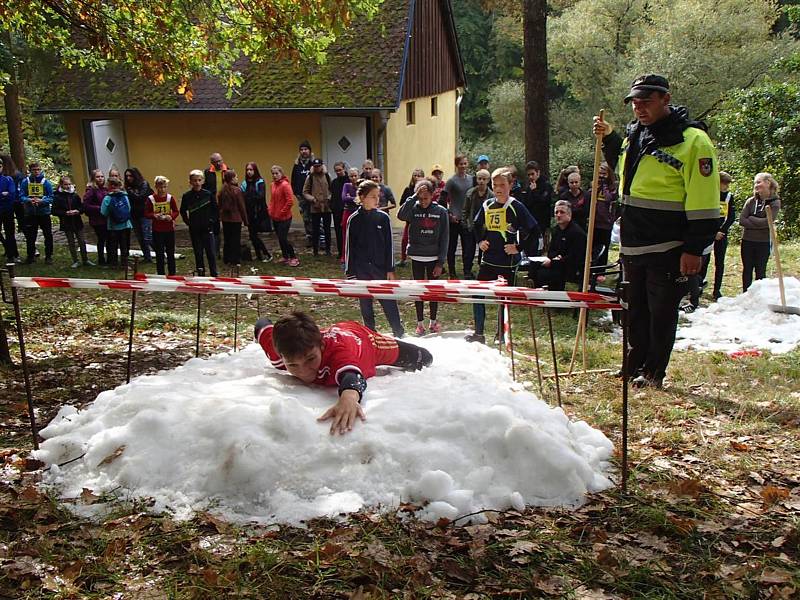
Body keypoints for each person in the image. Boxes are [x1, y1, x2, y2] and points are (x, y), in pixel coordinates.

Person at [594, 73, 720, 388]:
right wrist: (610, 138)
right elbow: (626, 169)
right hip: (634, 241)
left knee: (661, 312)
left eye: (646, 101)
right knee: (634, 309)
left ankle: (652, 374)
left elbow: (705, 200)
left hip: (670, 243)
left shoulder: (694, 140)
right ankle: (632, 366)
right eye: (634, 102)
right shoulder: (635, 134)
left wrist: (695, 248)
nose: (639, 108)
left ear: (666, 99)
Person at [255, 311, 432, 435]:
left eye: (310, 359)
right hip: (332, 331)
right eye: (293, 365)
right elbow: (262, 324)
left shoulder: (338, 352)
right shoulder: (279, 353)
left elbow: (351, 376)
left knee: (424, 358)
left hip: (364, 341)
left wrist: (349, 398)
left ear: (322, 346)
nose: (303, 371)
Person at [467, 168, 539, 344]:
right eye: (495, 185)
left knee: (503, 299)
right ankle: (479, 333)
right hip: (488, 260)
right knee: (477, 294)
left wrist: (518, 247)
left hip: (507, 262)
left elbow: (534, 229)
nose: (498, 188)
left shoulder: (516, 206)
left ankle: (501, 334)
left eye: (502, 185)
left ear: (510, 185)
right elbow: (476, 225)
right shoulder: (487, 205)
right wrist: (480, 241)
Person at [344, 179, 404, 338]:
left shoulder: (383, 218)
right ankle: (371, 334)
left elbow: (389, 246)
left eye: (378, 196)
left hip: (381, 269)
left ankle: (398, 333)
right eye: (373, 196)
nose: (377, 200)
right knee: (366, 306)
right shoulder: (353, 219)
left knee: (389, 303)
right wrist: (351, 273)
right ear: (362, 197)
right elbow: (349, 247)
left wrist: (390, 269)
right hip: (362, 270)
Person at [398, 178, 449, 335]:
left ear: (433, 195)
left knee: (433, 292)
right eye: (420, 198)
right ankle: (420, 323)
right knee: (418, 291)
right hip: (417, 256)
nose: (423, 201)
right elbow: (401, 215)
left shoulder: (441, 211)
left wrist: (440, 262)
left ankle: (433, 322)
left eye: (426, 198)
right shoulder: (413, 208)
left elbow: (445, 237)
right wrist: (413, 197)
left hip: (433, 257)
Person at [528, 201, 586, 291]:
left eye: (562, 212)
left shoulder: (577, 233)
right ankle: (534, 289)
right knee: (533, 265)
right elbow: (551, 250)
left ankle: (550, 291)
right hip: (556, 261)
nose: (558, 215)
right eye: (556, 212)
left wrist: (556, 261)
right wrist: (552, 258)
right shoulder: (556, 230)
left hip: (570, 266)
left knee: (543, 272)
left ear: (569, 215)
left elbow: (576, 257)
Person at [740, 172, 780, 292]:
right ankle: (745, 294)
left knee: (760, 270)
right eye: (755, 183)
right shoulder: (751, 201)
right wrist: (759, 222)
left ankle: (759, 296)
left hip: (763, 242)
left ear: (768, 183)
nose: (756, 185)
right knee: (747, 269)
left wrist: (751, 218)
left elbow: (768, 221)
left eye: (759, 182)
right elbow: (742, 220)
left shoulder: (775, 202)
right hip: (747, 240)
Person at [699, 171, 736, 300]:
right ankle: (699, 285)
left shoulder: (729, 197)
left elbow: (731, 216)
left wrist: (722, 231)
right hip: (709, 233)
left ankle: (717, 290)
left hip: (722, 234)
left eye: (727, 184)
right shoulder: (709, 194)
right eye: (723, 184)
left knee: (719, 262)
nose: (725, 187)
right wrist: (712, 232)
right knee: (704, 260)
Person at [180, 169, 219, 276]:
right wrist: (188, 222)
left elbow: (215, 209)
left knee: (211, 252)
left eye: (199, 180)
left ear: (202, 181)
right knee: (198, 253)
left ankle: (214, 274)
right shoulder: (187, 196)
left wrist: (212, 221)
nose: (197, 182)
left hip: (207, 228)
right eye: (194, 180)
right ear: (190, 182)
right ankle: (201, 275)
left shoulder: (208, 194)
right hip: (195, 229)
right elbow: (182, 211)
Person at [444, 154, 475, 279]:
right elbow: (442, 198)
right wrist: (449, 214)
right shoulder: (451, 181)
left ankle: (467, 270)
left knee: (467, 246)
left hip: (466, 218)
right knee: (451, 246)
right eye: (460, 163)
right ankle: (452, 271)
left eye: (465, 163)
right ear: (456, 165)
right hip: (454, 219)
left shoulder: (472, 179)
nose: (463, 166)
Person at [52, 174, 92, 268]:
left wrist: (78, 211)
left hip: (77, 221)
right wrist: (65, 213)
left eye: (69, 184)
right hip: (66, 222)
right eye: (66, 184)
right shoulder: (58, 197)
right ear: (61, 185)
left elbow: (81, 207)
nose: (68, 186)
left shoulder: (75, 195)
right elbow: (54, 210)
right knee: (71, 242)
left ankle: (85, 259)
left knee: (82, 241)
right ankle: (75, 260)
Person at [19, 162, 54, 264]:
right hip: (31, 213)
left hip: (44, 212)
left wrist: (42, 200)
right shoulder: (26, 182)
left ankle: (48, 256)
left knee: (48, 234)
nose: (37, 172)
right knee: (30, 236)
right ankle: (30, 256)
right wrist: (29, 200)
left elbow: (51, 197)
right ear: (30, 171)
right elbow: (21, 196)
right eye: (34, 170)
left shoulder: (46, 182)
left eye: (38, 169)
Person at [144, 175, 179, 275]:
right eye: (160, 187)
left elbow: (176, 211)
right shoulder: (151, 199)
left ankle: (172, 273)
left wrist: (171, 217)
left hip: (169, 229)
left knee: (170, 252)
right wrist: (154, 216)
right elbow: (146, 213)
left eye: (164, 187)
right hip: (157, 229)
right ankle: (161, 273)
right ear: (156, 187)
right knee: (159, 253)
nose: (162, 189)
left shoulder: (170, 198)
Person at [517, 161, 553, 254]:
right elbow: (527, 204)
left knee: (539, 248)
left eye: (532, 174)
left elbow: (544, 202)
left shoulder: (546, 186)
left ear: (538, 173)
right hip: (530, 222)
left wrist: (534, 191)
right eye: (528, 175)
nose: (530, 177)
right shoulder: (529, 186)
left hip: (542, 222)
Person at [462, 169, 494, 274]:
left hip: (485, 228)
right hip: (471, 226)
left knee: (484, 250)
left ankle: (482, 269)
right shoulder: (470, 193)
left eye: (484, 179)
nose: (481, 181)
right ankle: (467, 271)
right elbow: (465, 210)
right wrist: (465, 223)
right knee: (468, 251)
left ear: (488, 180)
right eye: (479, 178)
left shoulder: (492, 196)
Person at [241, 162, 272, 263]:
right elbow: (242, 196)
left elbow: (261, 196)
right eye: (247, 170)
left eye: (251, 170)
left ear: (255, 171)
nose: (249, 172)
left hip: (258, 212)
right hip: (249, 212)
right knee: (252, 235)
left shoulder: (260, 182)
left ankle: (266, 254)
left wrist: (249, 196)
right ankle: (260, 255)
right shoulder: (245, 183)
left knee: (254, 235)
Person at [268, 165, 299, 266]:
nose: (275, 175)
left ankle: (293, 257)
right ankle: (285, 257)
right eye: (273, 174)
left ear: (281, 173)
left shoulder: (285, 185)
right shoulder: (272, 185)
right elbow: (272, 200)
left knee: (283, 238)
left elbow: (290, 201)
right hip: (275, 216)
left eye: (277, 173)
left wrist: (282, 212)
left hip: (285, 217)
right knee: (279, 237)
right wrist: (270, 210)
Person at [217, 170, 249, 266]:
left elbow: (219, 205)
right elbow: (241, 206)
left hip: (225, 219)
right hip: (235, 218)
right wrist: (245, 220)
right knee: (235, 239)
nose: (237, 179)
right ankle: (235, 259)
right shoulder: (237, 190)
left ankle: (226, 258)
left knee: (227, 239)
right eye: (235, 177)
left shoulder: (222, 190)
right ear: (231, 179)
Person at [100, 176, 133, 267]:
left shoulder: (107, 198)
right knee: (124, 245)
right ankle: (124, 263)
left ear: (109, 186)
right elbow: (129, 209)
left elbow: (103, 212)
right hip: (126, 225)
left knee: (113, 245)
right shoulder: (125, 196)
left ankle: (114, 263)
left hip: (112, 226)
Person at [593, 162, 619, 273]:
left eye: (604, 174)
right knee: (594, 245)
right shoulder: (594, 184)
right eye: (599, 173)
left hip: (606, 222)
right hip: (595, 221)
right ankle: (592, 266)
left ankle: (601, 269)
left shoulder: (613, 187)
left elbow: (609, 198)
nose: (601, 176)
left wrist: (604, 186)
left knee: (604, 244)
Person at [303, 158, 332, 256]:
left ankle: (328, 249)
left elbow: (332, 189)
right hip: (315, 207)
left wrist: (329, 197)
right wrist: (312, 199)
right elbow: (305, 192)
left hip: (327, 207)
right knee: (315, 229)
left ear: (322, 166)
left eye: (318, 166)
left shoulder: (327, 176)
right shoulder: (310, 177)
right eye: (315, 166)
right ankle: (315, 250)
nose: (317, 168)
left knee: (327, 229)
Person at [124, 167, 154, 263]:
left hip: (144, 214)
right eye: (127, 176)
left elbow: (140, 197)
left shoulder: (143, 184)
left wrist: (129, 191)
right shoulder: (127, 187)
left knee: (147, 237)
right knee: (140, 238)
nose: (128, 178)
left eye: (130, 175)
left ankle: (161, 253)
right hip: (134, 215)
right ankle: (147, 257)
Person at [398, 168, 426, 266]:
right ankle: (403, 259)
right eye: (415, 175)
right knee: (405, 238)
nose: (417, 177)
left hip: (423, 218)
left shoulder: (426, 190)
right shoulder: (408, 189)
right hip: (410, 218)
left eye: (419, 175)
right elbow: (401, 203)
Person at [83, 169, 110, 265]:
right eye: (98, 177)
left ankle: (110, 258)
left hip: (107, 218)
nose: (100, 178)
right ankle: (101, 259)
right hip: (97, 219)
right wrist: (100, 208)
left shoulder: (106, 188)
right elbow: (86, 205)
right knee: (102, 238)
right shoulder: (91, 190)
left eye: (102, 176)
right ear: (94, 178)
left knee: (109, 238)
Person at [203, 152, 227, 257]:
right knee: (215, 228)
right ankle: (216, 251)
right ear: (212, 163)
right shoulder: (208, 172)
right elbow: (205, 187)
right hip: (213, 203)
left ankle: (227, 250)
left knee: (227, 227)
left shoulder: (228, 170)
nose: (219, 163)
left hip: (225, 203)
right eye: (216, 162)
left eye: (220, 160)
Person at [291, 141, 314, 246]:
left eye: (306, 149)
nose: (304, 151)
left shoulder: (314, 163)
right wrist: (297, 194)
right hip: (301, 197)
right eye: (302, 149)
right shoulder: (297, 165)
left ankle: (319, 238)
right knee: (306, 218)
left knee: (316, 217)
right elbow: (293, 180)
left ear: (309, 151)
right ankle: (310, 238)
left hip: (313, 196)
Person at [0, 159, 20, 263]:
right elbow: (4, 195)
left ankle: (13, 254)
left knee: (10, 233)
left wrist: (6, 195)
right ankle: (7, 249)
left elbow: (12, 195)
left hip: (7, 209)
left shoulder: (8, 179)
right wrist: (2, 195)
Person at [340, 168, 361, 262]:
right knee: (346, 234)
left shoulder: (361, 185)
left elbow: (362, 198)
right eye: (351, 176)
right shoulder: (346, 185)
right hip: (348, 212)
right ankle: (344, 256)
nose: (353, 178)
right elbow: (344, 198)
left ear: (358, 176)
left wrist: (351, 198)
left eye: (355, 175)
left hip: (359, 213)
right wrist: (355, 199)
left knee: (359, 234)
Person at [329, 161, 348, 259]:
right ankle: (340, 252)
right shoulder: (334, 182)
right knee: (338, 231)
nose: (338, 172)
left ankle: (347, 251)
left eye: (340, 170)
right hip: (336, 210)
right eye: (336, 171)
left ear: (344, 169)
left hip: (346, 209)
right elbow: (332, 195)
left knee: (347, 231)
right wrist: (332, 206)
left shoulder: (348, 181)